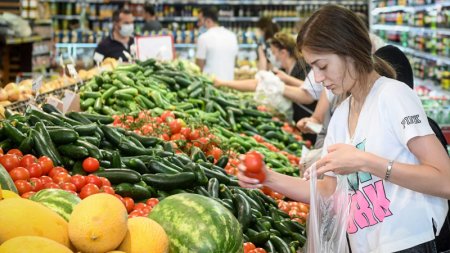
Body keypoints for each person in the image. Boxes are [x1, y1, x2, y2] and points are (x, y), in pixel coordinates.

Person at [238, 5, 450, 253]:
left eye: (322, 66)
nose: (317, 78)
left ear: (349, 51)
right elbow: (327, 191)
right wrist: (269, 178)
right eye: (312, 68)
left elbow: (444, 181)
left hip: (411, 243)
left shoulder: (393, 96)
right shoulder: (340, 115)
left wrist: (365, 162)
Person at [214, 32, 322, 126]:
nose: (273, 57)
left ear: (283, 53)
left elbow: (310, 91)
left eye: (274, 53)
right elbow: (258, 83)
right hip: (297, 122)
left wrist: (281, 83)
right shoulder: (282, 71)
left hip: (312, 121)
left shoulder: (304, 68)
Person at [195, 7, 238, 81]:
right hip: (229, 84)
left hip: (210, 86)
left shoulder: (203, 38)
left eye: (200, 21)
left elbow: (198, 69)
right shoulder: (232, 36)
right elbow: (235, 61)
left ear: (208, 21)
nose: (198, 24)